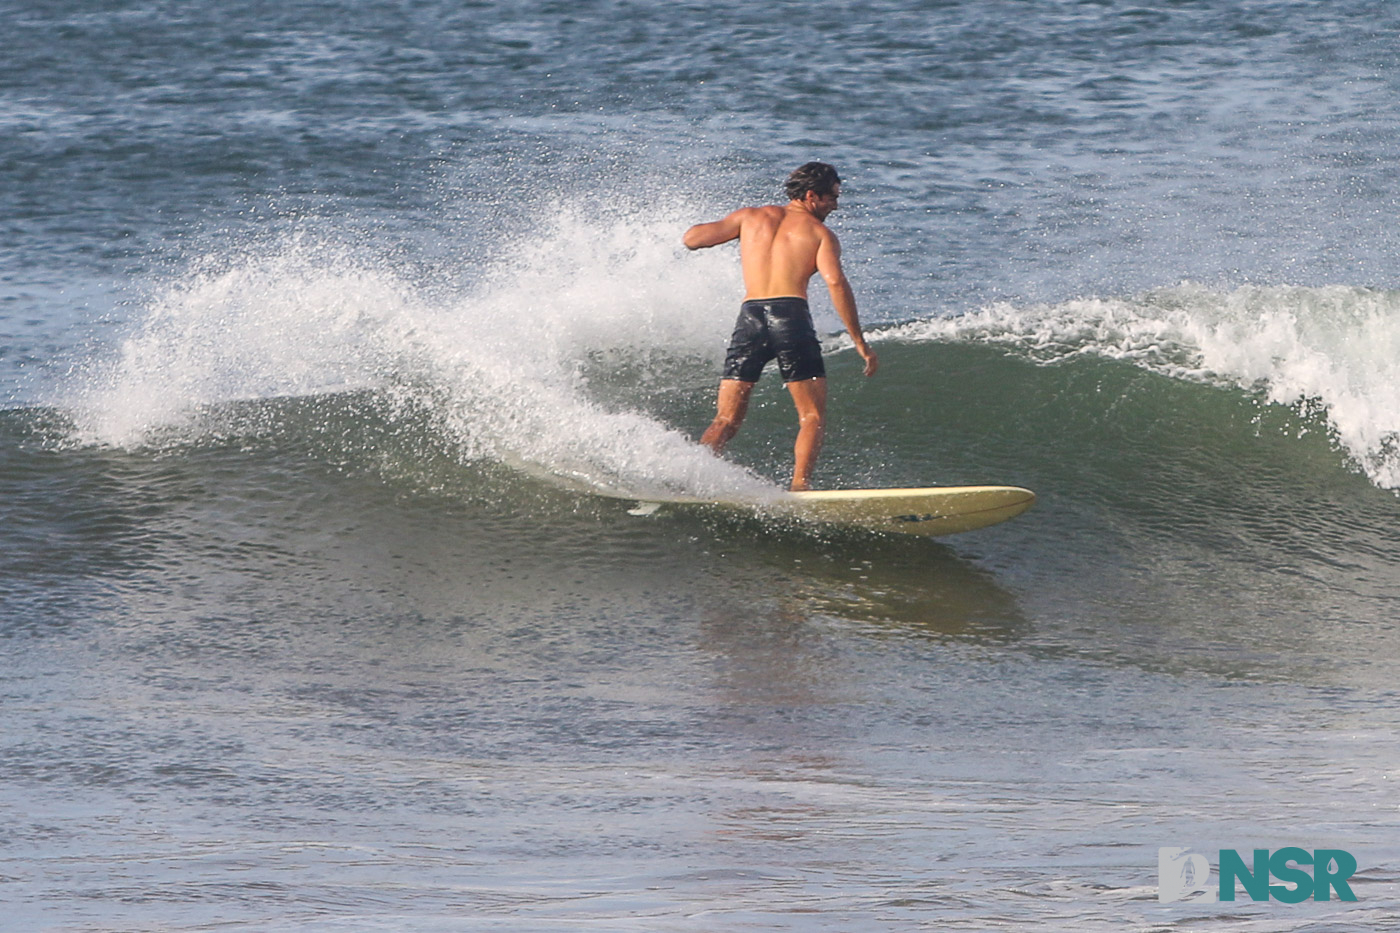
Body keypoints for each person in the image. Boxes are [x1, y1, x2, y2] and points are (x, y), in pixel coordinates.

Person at [682, 162, 878, 491]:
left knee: (725, 419)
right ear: (811, 195)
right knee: (812, 416)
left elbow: (691, 240)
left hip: (750, 318)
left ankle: (690, 481)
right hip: (791, 317)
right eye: (832, 197)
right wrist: (859, 340)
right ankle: (799, 487)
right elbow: (836, 283)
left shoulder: (749, 217)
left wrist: (737, 231)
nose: (836, 205)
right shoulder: (820, 234)